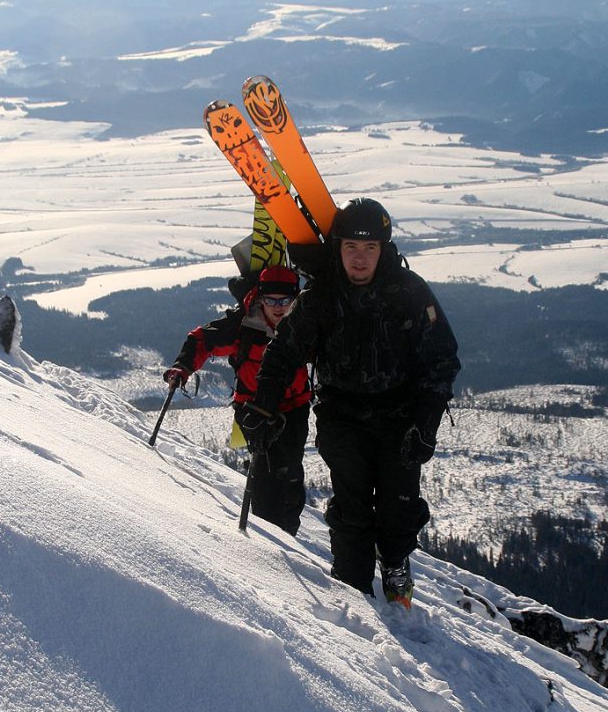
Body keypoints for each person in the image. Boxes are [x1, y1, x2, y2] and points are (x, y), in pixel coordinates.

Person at [241, 199, 460, 606]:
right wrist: (262, 406)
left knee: (398, 507)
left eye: (370, 249)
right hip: (343, 417)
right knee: (352, 509)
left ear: (384, 249)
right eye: (351, 249)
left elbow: (442, 359)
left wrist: (426, 423)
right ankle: (352, 590)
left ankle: (395, 562)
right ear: (338, 248)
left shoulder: (410, 293)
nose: (360, 259)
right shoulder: (322, 297)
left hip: (401, 417)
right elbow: (283, 352)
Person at [164, 265, 310, 536]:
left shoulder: (304, 323)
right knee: (266, 473)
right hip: (252, 407)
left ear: (295, 299)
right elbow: (202, 340)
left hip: (293, 407)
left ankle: (288, 531)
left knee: (289, 471)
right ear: (260, 298)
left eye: (285, 301)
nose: (278, 308)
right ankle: (270, 531)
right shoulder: (242, 324)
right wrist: (182, 367)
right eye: (271, 300)